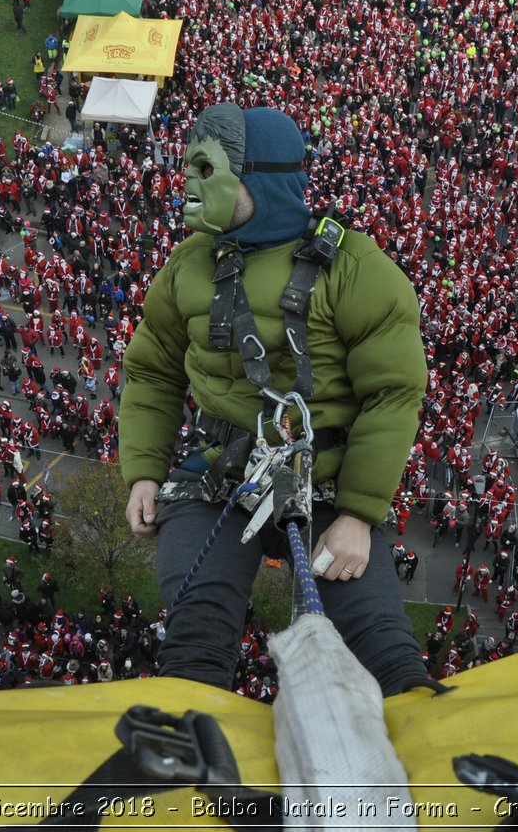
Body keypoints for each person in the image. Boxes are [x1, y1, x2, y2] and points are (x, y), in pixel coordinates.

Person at [121, 102, 431, 697]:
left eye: (207, 170)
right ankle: (194, 779)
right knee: (193, 641)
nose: (189, 184)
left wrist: (359, 515)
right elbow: (152, 371)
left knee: (385, 650)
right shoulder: (187, 265)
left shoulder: (357, 270)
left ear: (255, 176)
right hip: (216, 477)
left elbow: (393, 394)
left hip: (328, 485)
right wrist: (143, 470)